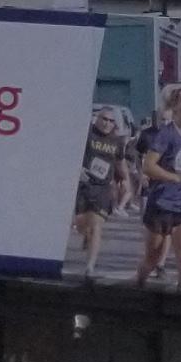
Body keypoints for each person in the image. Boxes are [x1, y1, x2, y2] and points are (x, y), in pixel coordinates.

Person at [130, 82, 181, 292]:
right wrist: (173, 177)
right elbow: (148, 166)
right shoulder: (166, 134)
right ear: (174, 107)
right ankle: (136, 288)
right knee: (152, 261)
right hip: (161, 205)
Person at [68, 100, 133, 278]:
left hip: (103, 188)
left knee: (97, 226)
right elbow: (71, 151)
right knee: (81, 224)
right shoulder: (87, 133)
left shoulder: (117, 141)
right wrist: (77, 169)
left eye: (112, 121)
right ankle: (86, 235)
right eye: (104, 119)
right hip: (83, 185)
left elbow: (120, 162)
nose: (107, 123)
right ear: (97, 119)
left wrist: (126, 180)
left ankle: (90, 266)